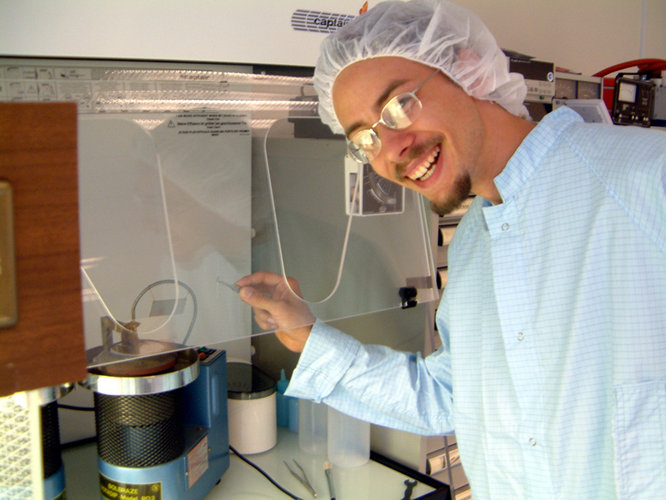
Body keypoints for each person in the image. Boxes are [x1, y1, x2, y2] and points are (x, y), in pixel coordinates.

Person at [237, 0, 666, 498]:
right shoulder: (475, 247)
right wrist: (307, 338)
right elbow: (452, 397)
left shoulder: (645, 180)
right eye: (366, 140)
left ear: (465, 67)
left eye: (398, 106)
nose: (391, 149)